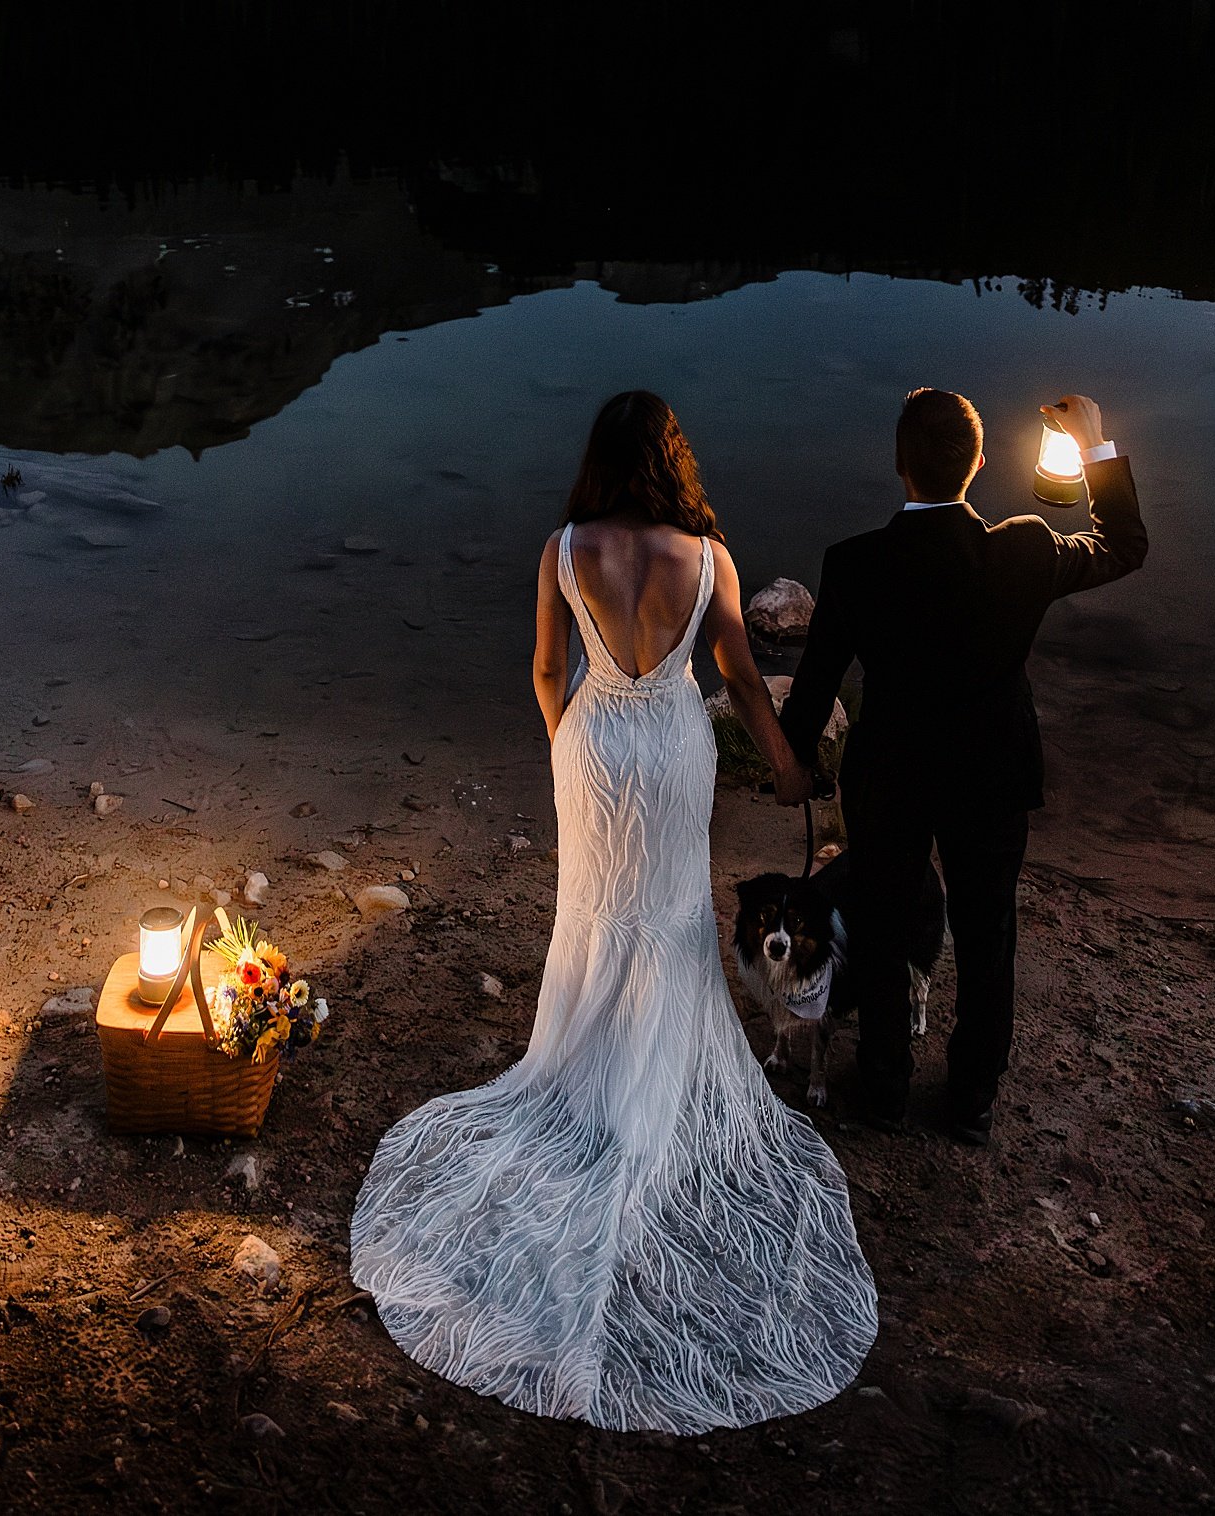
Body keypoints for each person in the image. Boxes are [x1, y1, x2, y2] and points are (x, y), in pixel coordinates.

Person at [350, 390, 878, 1434]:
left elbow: (548, 670)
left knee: (597, 914)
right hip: (675, 749)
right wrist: (787, 769)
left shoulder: (563, 549)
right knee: (670, 917)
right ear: (673, 463)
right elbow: (740, 675)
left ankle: (588, 1082)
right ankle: (651, 1086)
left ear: (599, 460)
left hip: (595, 743)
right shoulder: (710, 558)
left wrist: (570, 744)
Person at [780, 387, 1147, 1145]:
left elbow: (813, 691)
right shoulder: (1026, 547)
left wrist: (795, 767)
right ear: (979, 464)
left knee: (881, 930)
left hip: (889, 780)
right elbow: (1123, 545)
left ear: (897, 464)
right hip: (991, 777)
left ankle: (883, 1091)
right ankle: (972, 1100)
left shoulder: (854, 564)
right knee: (987, 936)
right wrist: (1093, 446)